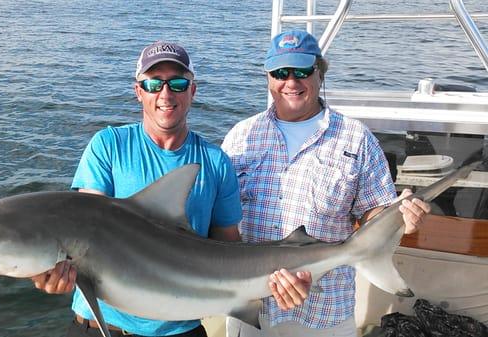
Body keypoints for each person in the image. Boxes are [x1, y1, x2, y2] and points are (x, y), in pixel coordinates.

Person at [30, 40, 312, 337]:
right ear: (138, 91)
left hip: (181, 331)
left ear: (193, 91)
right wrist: (51, 267)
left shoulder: (214, 162)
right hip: (100, 327)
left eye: (177, 83)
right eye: (154, 84)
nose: (165, 94)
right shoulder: (108, 146)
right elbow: (82, 232)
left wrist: (279, 282)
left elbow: (230, 251)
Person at [221, 30, 431, 337]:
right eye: (281, 72)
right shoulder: (241, 136)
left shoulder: (355, 138)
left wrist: (399, 219)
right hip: (251, 312)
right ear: (268, 77)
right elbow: (219, 217)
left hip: (325, 314)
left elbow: (372, 214)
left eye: (303, 71)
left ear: (321, 73)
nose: (291, 83)